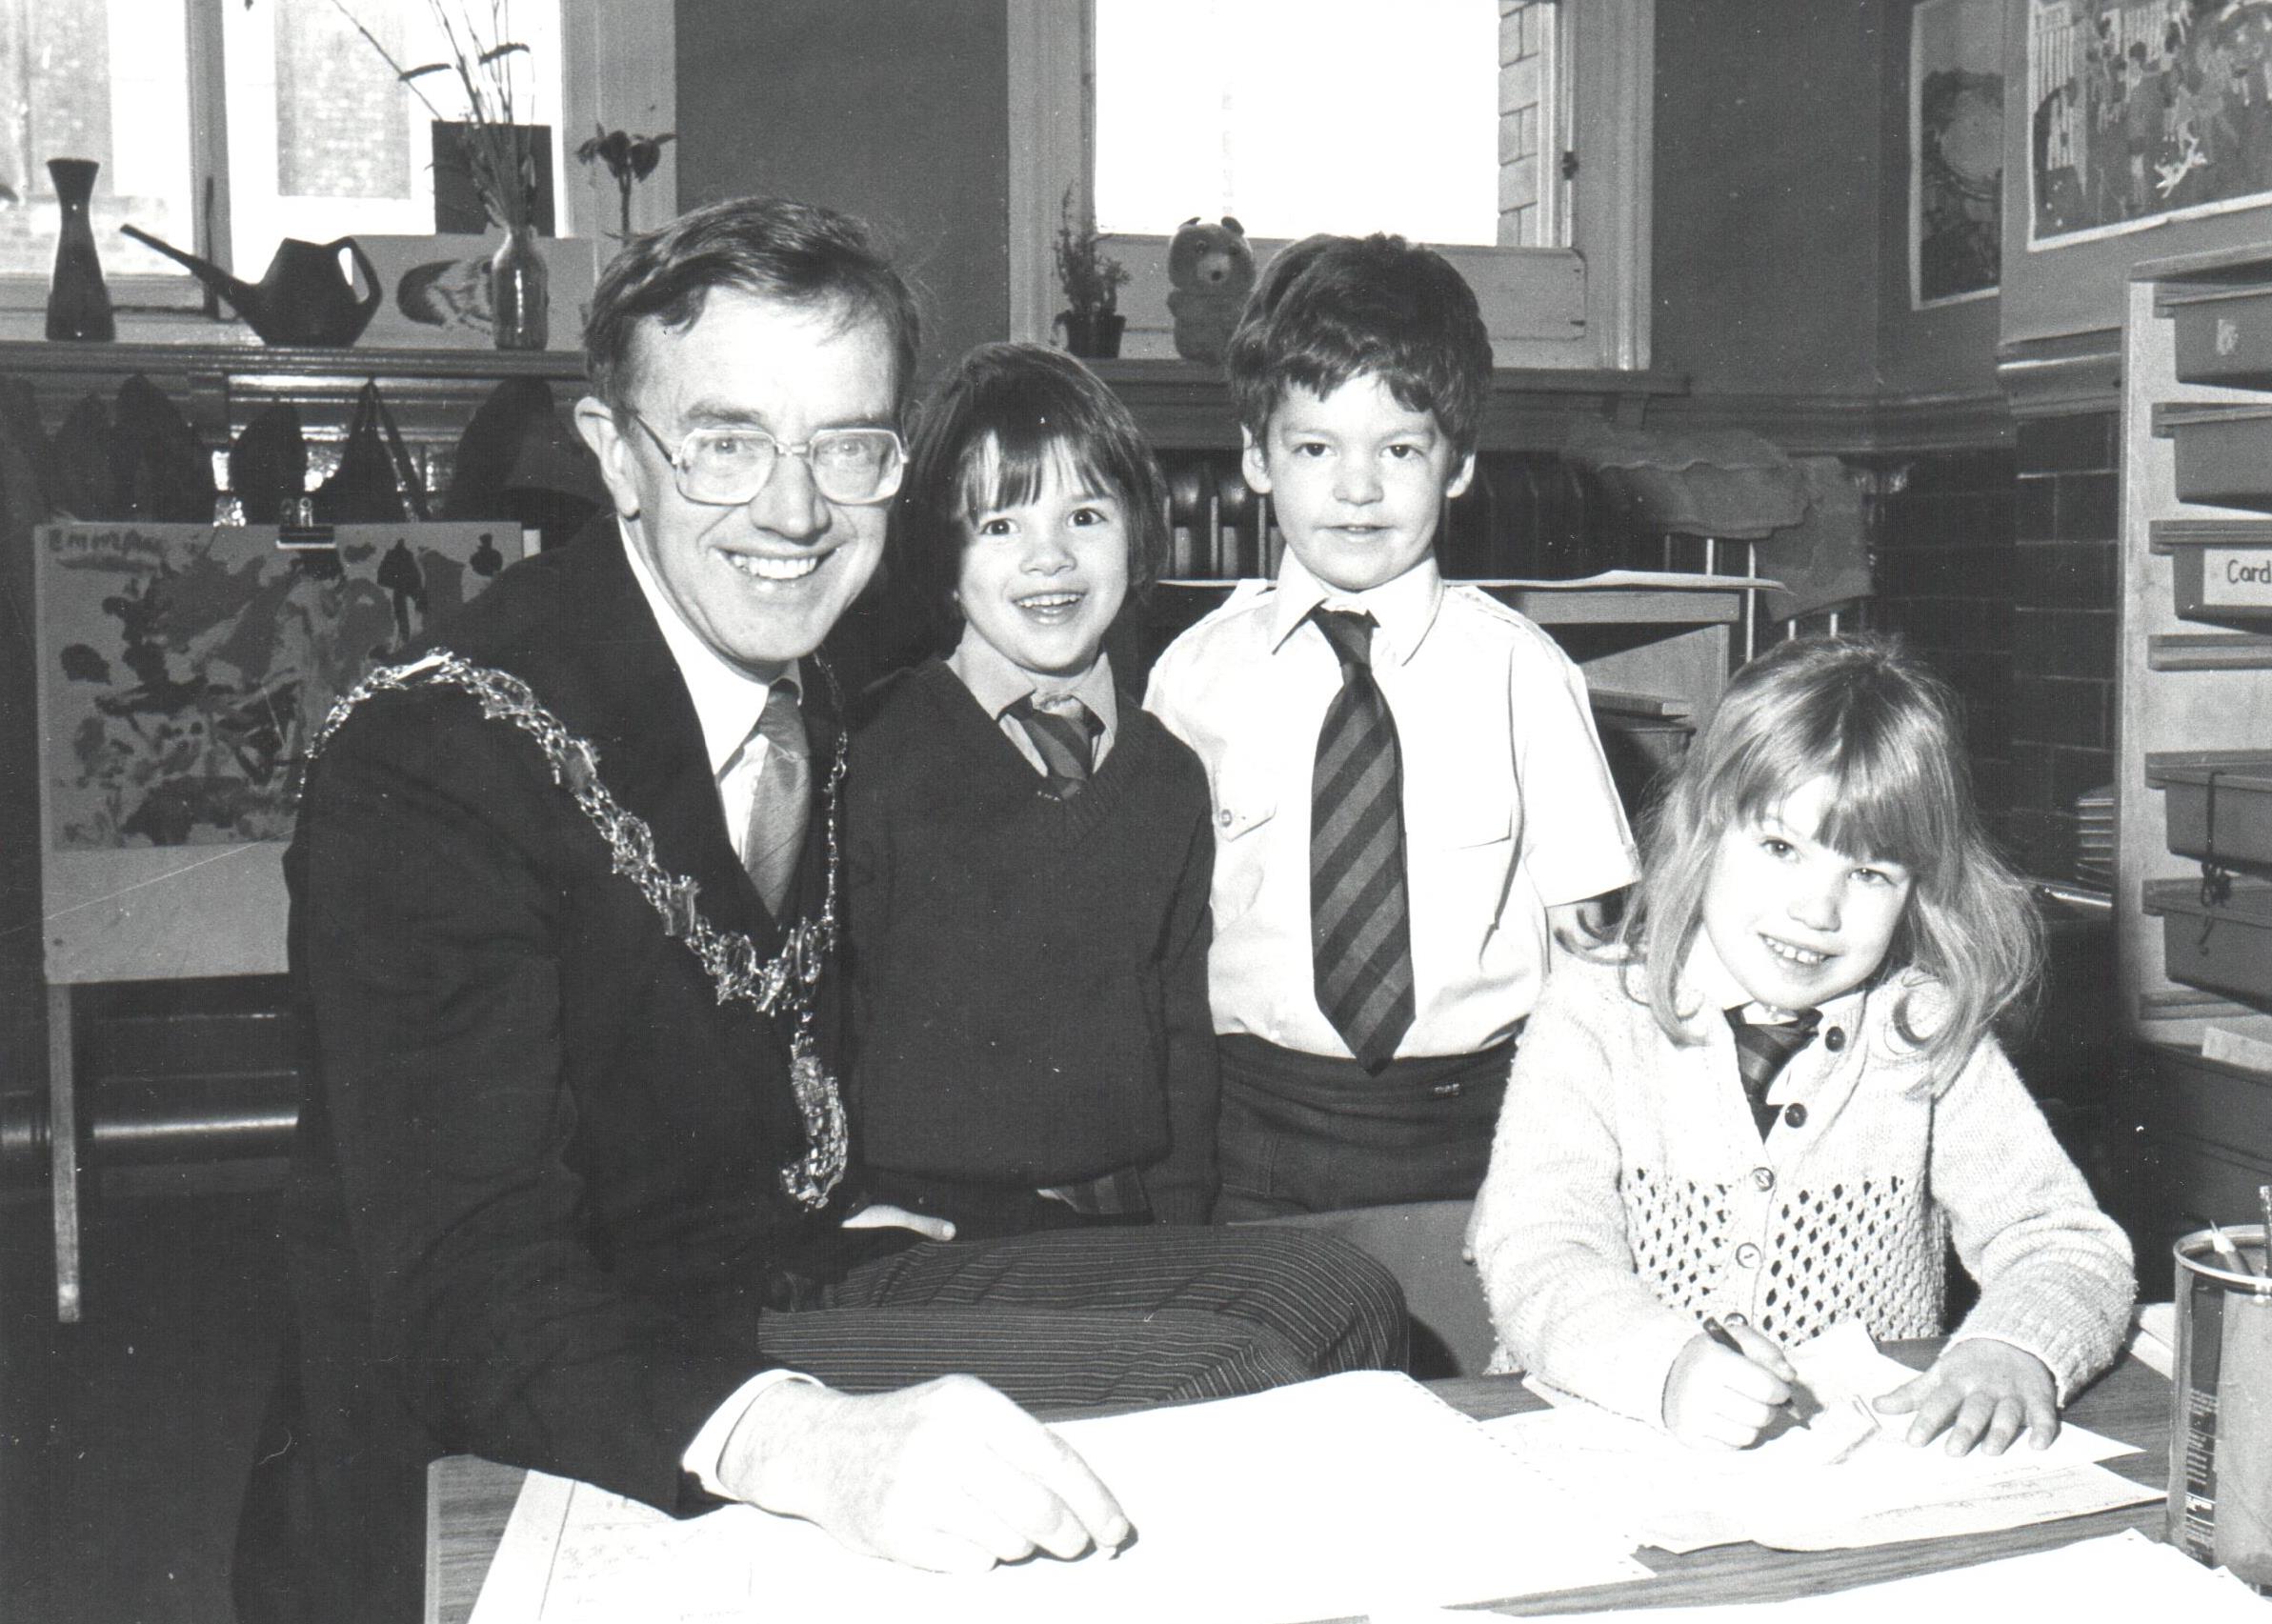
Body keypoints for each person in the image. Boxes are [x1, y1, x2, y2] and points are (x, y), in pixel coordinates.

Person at [232, 197, 1406, 1624]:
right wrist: (815, 1444)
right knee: (1239, 1382)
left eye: (845, 446)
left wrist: (899, 1195)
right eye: (724, 443)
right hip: (548, 1395)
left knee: (1335, 1298)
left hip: (782, 1268)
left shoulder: (814, 678)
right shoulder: (432, 760)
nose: (793, 514)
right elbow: (467, 1284)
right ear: (615, 453)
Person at [1467, 635, 2135, 1455]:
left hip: (1847, 1477)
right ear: (1703, 829)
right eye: (1780, 847)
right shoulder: (1596, 1007)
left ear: (1918, 890)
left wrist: (2012, 1345)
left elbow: (2064, 1242)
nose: (1817, 911)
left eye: (1870, 873)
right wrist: (1662, 1366)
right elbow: (1536, 1247)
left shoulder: (1923, 1031)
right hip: (1590, 1445)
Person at [1143, 232, 1637, 1219]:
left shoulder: (1524, 676)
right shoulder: (1192, 679)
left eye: (1400, 448)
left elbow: (1597, 948)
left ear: (1458, 464)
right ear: (1255, 457)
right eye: (1314, 448)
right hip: (1251, 1129)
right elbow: (1150, 938)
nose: (1358, 488)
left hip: (1482, 1130)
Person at [847, 342, 1217, 1237]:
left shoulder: (1168, 777)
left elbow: (1182, 1041)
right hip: (930, 1224)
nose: (1049, 559)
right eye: (999, 526)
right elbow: (831, 1015)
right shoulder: (873, 754)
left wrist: (1181, 1238)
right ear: (941, 555)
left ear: (1138, 529)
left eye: (1084, 516)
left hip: (1125, 1225)